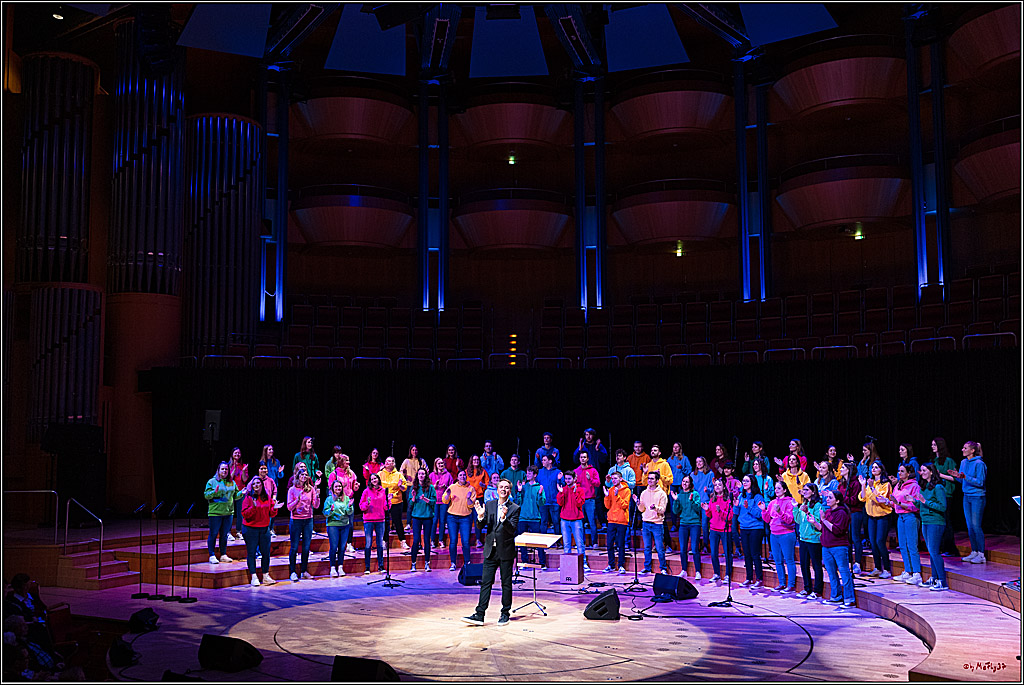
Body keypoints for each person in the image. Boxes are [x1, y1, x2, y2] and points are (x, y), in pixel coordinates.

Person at [462, 478, 521, 627]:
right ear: (497, 489)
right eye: (501, 487)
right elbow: (482, 525)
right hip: (490, 550)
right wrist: (480, 516)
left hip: (506, 551)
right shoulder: (489, 505)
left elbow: (512, 529)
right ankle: (480, 614)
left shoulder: (514, 508)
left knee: (506, 583)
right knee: (486, 583)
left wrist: (504, 519)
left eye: (507, 487)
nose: (504, 489)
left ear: (509, 491)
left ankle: (505, 613)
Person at [812, 489, 856, 607]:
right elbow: (824, 529)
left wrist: (824, 519)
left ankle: (849, 598)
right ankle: (836, 596)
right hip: (826, 547)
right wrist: (815, 523)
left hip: (839, 547)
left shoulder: (841, 513)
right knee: (831, 573)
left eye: (830, 498)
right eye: (827, 497)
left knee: (844, 572)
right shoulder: (829, 511)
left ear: (837, 500)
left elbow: (836, 530)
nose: (827, 499)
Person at [946, 440, 987, 564]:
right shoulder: (963, 462)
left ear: (972, 450)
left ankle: (981, 554)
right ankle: (974, 551)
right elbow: (963, 481)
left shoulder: (979, 463)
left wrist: (965, 477)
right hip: (966, 496)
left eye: (965, 448)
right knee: (969, 526)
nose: (962, 450)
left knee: (976, 525)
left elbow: (980, 482)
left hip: (977, 497)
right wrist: (957, 476)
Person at [914, 463, 949, 591]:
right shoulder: (924, 487)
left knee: (934, 552)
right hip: (925, 521)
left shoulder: (938, 487)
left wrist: (925, 501)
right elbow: (922, 506)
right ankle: (934, 578)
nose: (921, 472)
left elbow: (942, 507)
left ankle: (942, 581)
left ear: (931, 472)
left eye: (924, 470)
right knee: (931, 552)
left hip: (936, 522)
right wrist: (915, 501)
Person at [242, 474, 279, 586]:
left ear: (262, 485)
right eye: (253, 484)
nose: (256, 485)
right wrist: (253, 507)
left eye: (258, 483)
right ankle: (254, 576)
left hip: (264, 529)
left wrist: (275, 508)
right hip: (251, 529)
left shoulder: (266, 497)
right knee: (252, 553)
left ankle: (265, 575)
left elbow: (271, 513)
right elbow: (245, 514)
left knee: (266, 553)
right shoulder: (248, 497)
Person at [858, 460, 894, 578]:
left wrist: (873, 488)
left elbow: (880, 499)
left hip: (883, 516)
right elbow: (863, 498)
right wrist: (863, 485)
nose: (873, 469)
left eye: (876, 467)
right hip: (871, 517)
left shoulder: (885, 484)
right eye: (872, 467)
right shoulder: (870, 483)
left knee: (880, 541)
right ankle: (877, 568)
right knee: (873, 543)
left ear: (881, 470)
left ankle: (887, 569)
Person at [760, 480, 797, 592]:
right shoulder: (772, 503)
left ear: (785, 490)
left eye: (779, 488)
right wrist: (763, 511)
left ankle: (790, 584)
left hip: (786, 534)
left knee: (789, 560)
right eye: (775, 488)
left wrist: (780, 512)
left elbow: (790, 520)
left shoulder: (790, 502)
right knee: (778, 560)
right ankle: (781, 583)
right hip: (774, 534)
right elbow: (767, 519)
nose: (776, 490)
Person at [890, 463, 923, 584]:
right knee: (903, 545)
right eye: (899, 471)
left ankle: (916, 573)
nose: (899, 473)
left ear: (908, 473)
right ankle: (908, 571)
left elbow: (916, 506)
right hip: (900, 516)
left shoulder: (914, 486)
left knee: (911, 545)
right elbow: (895, 501)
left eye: (902, 471)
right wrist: (889, 502)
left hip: (911, 516)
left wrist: (899, 504)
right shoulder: (898, 485)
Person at [205, 461, 244, 564]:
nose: (224, 471)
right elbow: (206, 495)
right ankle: (212, 555)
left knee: (224, 535)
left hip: (228, 513)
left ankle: (223, 554)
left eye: (226, 469)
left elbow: (235, 496)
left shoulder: (232, 482)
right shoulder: (212, 482)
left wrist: (242, 493)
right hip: (215, 513)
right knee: (213, 534)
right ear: (218, 470)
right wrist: (214, 492)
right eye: (222, 469)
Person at [287, 464, 321, 581]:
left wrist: (317, 496)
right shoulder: (292, 489)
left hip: (308, 520)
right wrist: (297, 500)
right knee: (294, 547)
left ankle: (304, 570)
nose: (304, 476)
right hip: (296, 520)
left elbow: (315, 506)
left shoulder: (310, 489)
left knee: (306, 547)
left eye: (306, 475)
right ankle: (292, 572)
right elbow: (289, 507)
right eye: (302, 474)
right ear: (298, 476)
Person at [792, 483, 824, 598]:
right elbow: (798, 521)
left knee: (816, 565)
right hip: (803, 538)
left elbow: (817, 522)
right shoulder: (804, 504)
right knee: (804, 565)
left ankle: (817, 591)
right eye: (803, 490)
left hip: (814, 539)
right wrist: (795, 508)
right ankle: (807, 588)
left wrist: (807, 512)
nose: (804, 492)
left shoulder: (817, 505)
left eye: (806, 490)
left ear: (813, 492)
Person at [635, 471, 670, 575]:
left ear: (657, 481)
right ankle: (647, 567)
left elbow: (663, 510)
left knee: (659, 548)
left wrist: (655, 508)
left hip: (657, 524)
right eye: (648, 478)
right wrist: (638, 503)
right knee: (647, 547)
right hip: (646, 523)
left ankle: (663, 568)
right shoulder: (644, 493)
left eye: (652, 479)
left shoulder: (662, 494)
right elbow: (641, 509)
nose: (649, 480)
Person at [734, 475, 765, 587]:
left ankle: (759, 579)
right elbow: (737, 512)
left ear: (752, 482)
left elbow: (760, 514)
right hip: (744, 527)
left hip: (755, 528)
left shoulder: (758, 497)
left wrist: (748, 508)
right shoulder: (742, 496)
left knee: (755, 554)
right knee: (746, 554)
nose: (745, 482)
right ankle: (749, 578)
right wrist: (736, 506)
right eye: (743, 481)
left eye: (747, 481)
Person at [930, 437, 959, 557]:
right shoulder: (934, 460)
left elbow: (955, 478)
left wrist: (940, 475)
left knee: (946, 521)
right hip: (935, 494)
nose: (932, 446)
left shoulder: (949, 461)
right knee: (939, 521)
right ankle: (941, 547)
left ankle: (950, 548)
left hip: (946, 493)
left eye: (934, 444)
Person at [443, 470, 476, 571]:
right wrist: (448, 494)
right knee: (453, 541)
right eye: (460, 475)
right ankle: (453, 563)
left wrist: (468, 498)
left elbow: (471, 505)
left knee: (465, 542)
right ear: (457, 477)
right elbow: (445, 500)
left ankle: (467, 562)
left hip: (465, 517)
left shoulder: (471, 489)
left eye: (464, 475)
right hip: (452, 517)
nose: (462, 477)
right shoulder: (452, 487)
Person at [671, 475, 702, 579]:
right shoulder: (680, 495)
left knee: (694, 548)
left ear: (690, 484)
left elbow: (698, 509)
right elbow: (676, 511)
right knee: (683, 548)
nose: (684, 483)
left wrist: (692, 500)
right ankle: (684, 570)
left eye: (687, 482)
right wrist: (675, 500)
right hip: (683, 523)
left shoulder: (695, 494)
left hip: (694, 524)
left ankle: (698, 571)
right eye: (683, 481)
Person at [837, 461, 866, 574]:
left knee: (855, 538)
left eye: (842, 467)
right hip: (845, 513)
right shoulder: (842, 483)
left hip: (855, 512)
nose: (840, 469)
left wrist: (841, 500)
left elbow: (855, 500)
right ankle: (848, 562)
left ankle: (857, 563)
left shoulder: (855, 483)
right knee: (847, 538)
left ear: (848, 470)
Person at [517, 465, 548, 569]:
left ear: (535, 475)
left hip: (535, 518)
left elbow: (542, 503)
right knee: (523, 542)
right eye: (527, 472)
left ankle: (542, 563)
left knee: (538, 542)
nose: (528, 474)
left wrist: (539, 494)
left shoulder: (539, 487)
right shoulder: (524, 487)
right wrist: (519, 491)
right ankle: (525, 562)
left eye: (530, 473)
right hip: (523, 518)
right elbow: (518, 502)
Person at [702, 477, 732, 582]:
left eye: (719, 485)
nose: (717, 487)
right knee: (714, 553)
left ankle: (728, 575)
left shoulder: (727, 500)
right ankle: (716, 573)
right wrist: (706, 510)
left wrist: (720, 512)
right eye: (715, 485)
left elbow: (729, 517)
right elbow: (710, 515)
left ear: (724, 487)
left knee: (727, 553)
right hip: (714, 529)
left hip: (725, 530)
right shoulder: (712, 499)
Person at [324, 479, 354, 577]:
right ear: (332, 488)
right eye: (336, 486)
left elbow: (349, 512)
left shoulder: (346, 498)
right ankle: (333, 568)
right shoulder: (329, 499)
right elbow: (325, 513)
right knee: (334, 546)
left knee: (342, 547)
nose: (338, 488)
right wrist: (331, 510)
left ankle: (340, 567)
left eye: (339, 486)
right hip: (333, 525)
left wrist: (349, 506)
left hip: (345, 525)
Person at [359, 473, 388, 574]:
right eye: (372, 479)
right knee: (368, 544)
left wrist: (389, 501)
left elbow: (386, 507)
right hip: (369, 520)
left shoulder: (383, 491)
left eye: (375, 478)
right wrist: (367, 503)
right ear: (370, 481)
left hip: (380, 520)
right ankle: (367, 567)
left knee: (380, 544)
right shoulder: (366, 491)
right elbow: (361, 507)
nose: (374, 480)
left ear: (378, 479)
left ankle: (381, 566)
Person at [379, 455, 410, 550]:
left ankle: (403, 541)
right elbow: (375, 486)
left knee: (398, 522)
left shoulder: (399, 474)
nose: (389, 463)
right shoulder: (380, 474)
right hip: (383, 502)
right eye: (387, 461)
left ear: (394, 463)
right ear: (384, 463)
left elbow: (404, 487)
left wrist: (400, 486)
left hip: (396, 501)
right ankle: (384, 542)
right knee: (385, 522)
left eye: (392, 461)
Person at [602, 471, 631, 574]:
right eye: (612, 479)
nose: (613, 480)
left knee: (620, 544)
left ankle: (621, 565)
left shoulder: (626, 490)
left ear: (620, 479)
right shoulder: (610, 490)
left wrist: (617, 495)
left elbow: (624, 505)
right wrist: (606, 496)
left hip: (622, 520)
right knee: (609, 544)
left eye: (615, 478)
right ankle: (611, 565)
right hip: (611, 520)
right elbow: (607, 506)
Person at [409, 467, 436, 572]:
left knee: (426, 541)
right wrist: (413, 498)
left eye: (423, 474)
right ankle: (413, 563)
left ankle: (427, 563)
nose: (421, 475)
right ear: (417, 476)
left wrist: (426, 499)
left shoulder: (430, 487)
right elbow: (411, 504)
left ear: (426, 476)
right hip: (416, 517)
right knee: (416, 540)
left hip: (427, 517)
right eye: (419, 474)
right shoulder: (414, 488)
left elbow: (434, 501)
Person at [557, 470, 587, 565]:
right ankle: (567, 564)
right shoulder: (564, 489)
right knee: (566, 544)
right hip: (564, 520)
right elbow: (560, 503)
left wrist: (575, 493)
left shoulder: (580, 490)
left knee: (579, 544)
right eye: (566, 479)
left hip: (576, 520)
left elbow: (580, 503)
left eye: (569, 479)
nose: (567, 480)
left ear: (574, 479)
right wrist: (561, 493)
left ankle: (583, 564)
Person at [574, 451, 601, 548]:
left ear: (588, 459)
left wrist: (590, 479)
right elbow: (574, 486)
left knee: (592, 521)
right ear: (579, 459)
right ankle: (582, 543)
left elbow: (597, 483)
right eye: (581, 457)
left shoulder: (593, 470)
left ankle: (594, 542)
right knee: (580, 522)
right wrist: (575, 482)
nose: (583, 459)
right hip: (580, 500)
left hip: (590, 499)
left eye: (584, 457)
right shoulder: (576, 471)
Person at [751, 458, 774, 563]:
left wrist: (766, 489)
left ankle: (771, 552)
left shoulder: (767, 479)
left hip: (766, 506)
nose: (755, 466)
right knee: (758, 531)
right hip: (755, 506)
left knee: (767, 531)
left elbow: (772, 494)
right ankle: (757, 553)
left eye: (757, 464)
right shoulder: (752, 478)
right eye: (754, 464)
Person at [666, 443, 692, 534]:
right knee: (673, 505)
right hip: (673, 484)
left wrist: (682, 468)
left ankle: (683, 523)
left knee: (683, 504)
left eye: (677, 447)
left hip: (682, 485)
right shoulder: (670, 459)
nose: (675, 448)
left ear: (680, 448)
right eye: (674, 447)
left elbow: (689, 471)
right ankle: (674, 524)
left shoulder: (684, 459)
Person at [692, 456, 715, 554]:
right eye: (697, 462)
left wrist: (708, 490)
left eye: (700, 461)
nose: (699, 463)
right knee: (695, 525)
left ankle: (705, 545)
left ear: (704, 462)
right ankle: (695, 546)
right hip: (696, 503)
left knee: (705, 525)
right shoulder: (693, 474)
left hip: (706, 502)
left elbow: (713, 488)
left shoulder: (710, 474)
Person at [259, 444, 284, 535]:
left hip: (273, 487)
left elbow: (280, 476)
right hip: (264, 488)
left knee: (273, 508)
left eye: (272, 449)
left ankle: (271, 528)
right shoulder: (262, 462)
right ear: (265, 451)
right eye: (269, 449)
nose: (271, 451)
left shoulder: (276, 462)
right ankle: (265, 527)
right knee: (264, 508)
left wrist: (280, 472)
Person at [430, 458, 454, 548]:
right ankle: (432, 540)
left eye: (442, 463)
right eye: (439, 463)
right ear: (436, 465)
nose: (441, 465)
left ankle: (441, 540)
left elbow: (452, 487)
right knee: (434, 520)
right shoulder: (432, 475)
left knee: (443, 521)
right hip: (435, 501)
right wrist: (434, 486)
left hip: (444, 501)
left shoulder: (448, 475)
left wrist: (446, 487)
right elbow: (428, 487)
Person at [466, 455, 489, 548]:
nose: (475, 461)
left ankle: (478, 540)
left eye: (477, 460)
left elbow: (488, 484)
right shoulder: (466, 472)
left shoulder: (483, 472)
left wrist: (483, 485)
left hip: (479, 498)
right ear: (471, 461)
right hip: (469, 499)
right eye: (473, 460)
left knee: (477, 519)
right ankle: (466, 540)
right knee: (467, 519)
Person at [721, 461, 742, 557]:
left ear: (732, 470)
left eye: (728, 468)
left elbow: (739, 493)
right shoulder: (721, 480)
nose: (726, 470)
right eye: (725, 468)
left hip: (732, 507)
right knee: (723, 528)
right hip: (722, 506)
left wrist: (738, 489)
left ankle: (738, 548)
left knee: (733, 528)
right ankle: (726, 549)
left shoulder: (735, 481)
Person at [536, 453, 562, 533]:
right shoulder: (539, 472)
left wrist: (560, 479)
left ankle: (558, 542)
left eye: (544, 460)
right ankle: (543, 543)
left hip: (554, 502)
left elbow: (562, 486)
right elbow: (536, 485)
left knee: (556, 522)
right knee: (543, 522)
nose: (542, 462)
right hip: (543, 502)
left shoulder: (557, 472)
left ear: (550, 461)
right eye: (542, 460)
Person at [228, 447, 248, 540]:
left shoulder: (243, 465)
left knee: (240, 513)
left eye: (239, 453)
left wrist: (243, 471)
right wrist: (234, 468)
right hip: (230, 491)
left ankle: (238, 531)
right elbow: (229, 479)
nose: (237, 455)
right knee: (230, 512)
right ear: (232, 454)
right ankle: (228, 532)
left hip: (241, 491)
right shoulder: (228, 466)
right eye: (235, 453)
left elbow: (244, 479)